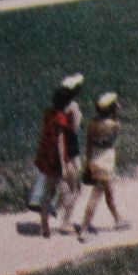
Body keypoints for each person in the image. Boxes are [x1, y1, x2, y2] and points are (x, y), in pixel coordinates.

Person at [32, 79, 84, 240]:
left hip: (47, 159)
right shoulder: (67, 114)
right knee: (74, 188)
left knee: (47, 192)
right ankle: (65, 222)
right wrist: (64, 165)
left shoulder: (49, 113)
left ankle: (44, 225)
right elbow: (66, 137)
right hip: (61, 158)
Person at [77, 91, 124, 237]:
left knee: (109, 193)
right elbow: (116, 132)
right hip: (106, 163)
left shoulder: (92, 124)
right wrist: (116, 113)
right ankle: (84, 229)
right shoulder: (115, 125)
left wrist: (88, 163)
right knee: (96, 196)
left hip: (95, 160)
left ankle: (118, 219)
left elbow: (89, 144)